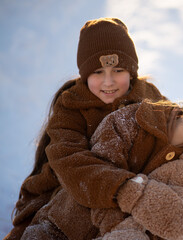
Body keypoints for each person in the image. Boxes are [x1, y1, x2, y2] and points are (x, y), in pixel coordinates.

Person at [21, 86, 183, 240]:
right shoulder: (137, 118)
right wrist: (132, 193)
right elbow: (95, 170)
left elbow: (171, 224)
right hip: (62, 224)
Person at [5, 17, 166, 240]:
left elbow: (178, 132)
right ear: (85, 74)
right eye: (98, 72)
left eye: (118, 70)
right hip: (67, 195)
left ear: (132, 72)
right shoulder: (71, 105)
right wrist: (121, 187)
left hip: (131, 197)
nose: (108, 82)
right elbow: (70, 160)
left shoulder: (151, 100)